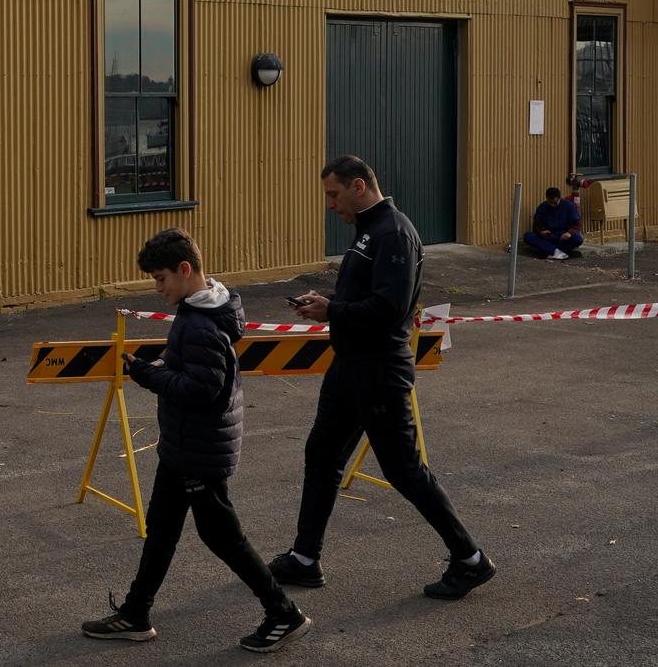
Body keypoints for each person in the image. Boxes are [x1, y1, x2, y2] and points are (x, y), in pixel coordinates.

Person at [269, 155, 496, 600]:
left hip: (378, 371)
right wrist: (329, 301)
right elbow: (365, 296)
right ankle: (304, 558)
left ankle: (470, 559)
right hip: (350, 367)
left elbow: (390, 309)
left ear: (359, 186)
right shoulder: (368, 232)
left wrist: (332, 310)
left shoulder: (393, 232)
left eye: (334, 195)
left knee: (404, 470)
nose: (330, 205)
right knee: (322, 456)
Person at [81, 227, 311, 653]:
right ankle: (135, 613)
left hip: (199, 451)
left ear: (185, 270)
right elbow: (194, 373)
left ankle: (283, 613)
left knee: (223, 537)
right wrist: (164, 364)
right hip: (184, 446)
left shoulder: (200, 323)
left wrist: (150, 375)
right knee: (162, 530)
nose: (158, 287)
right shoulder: (206, 309)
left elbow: (203, 390)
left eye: (161, 278)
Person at [523, 187, 583, 260]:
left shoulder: (569, 206)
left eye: (555, 203)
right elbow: (537, 224)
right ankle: (560, 252)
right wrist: (541, 231)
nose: (552, 205)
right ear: (547, 199)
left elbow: (577, 223)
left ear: (559, 198)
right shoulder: (542, 207)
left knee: (578, 239)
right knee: (528, 236)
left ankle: (550, 251)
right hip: (549, 236)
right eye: (550, 203)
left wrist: (569, 233)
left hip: (563, 236)